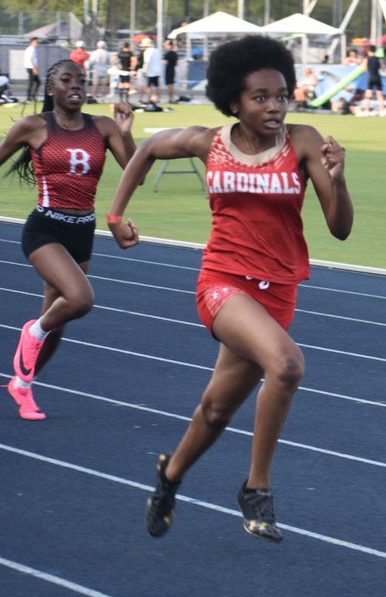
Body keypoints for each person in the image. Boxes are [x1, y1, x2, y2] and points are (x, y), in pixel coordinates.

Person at [106, 35, 354, 542]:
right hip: (222, 282)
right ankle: (256, 488)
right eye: (260, 97)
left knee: (217, 410)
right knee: (285, 365)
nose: (275, 106)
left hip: (278, 291)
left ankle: (169, 476)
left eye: (282, 95)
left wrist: (338, 179)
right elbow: (149, 148)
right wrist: (114, 215)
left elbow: (340, 228)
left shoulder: (304, 142)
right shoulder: (208, 141)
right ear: (234, 101)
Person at [0, 59, 135, 420]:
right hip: (44, 228)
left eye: (81, 80)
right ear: (50, 88)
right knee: (79, 299)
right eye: (66, 79)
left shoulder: (103, 127)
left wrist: (125, 131)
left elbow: (134, 173)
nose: (76, 85)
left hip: (82, 232)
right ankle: (32, 331)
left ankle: (23, 386)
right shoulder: (34, 126)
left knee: (57, 320)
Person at [140, 38, 163, 108]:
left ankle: (150, 100)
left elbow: (146, 62)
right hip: (157, 71)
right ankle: (158, 99)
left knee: (149, 86)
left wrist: (145, 70)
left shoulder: (147, 52)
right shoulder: (157, 51)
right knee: (157, 86)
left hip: (150, 71)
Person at [364, 46, 386, 115]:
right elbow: (383, 68)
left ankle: (366, 111)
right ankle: (382, 111)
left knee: (368, 95)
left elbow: (365, 69)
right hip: (377, 77)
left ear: (368, 51)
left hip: (371, 77)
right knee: (380, 95)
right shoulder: (378, 59)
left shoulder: (367, 59)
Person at [23, 37, 40, 103]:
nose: (38, 43)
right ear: (32, 42)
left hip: (31, 67)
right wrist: (34, 68)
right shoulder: (31, 49)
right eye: (36, 42)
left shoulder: (32, 49)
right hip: (31, 68)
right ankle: (29, 97)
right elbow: (31, 59)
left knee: (36, 82)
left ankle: (31, 96)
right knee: (32, 83)